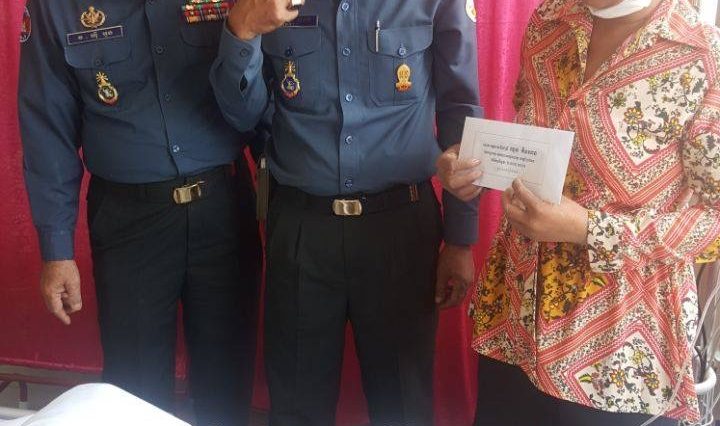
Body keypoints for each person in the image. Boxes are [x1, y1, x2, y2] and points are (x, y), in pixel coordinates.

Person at [438, 0, 720, 424]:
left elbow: (713, 218)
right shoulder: (549, 20)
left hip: (617, 348)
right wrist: (474, 162)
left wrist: (591, 228)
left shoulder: (700, 53)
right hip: (515, 319)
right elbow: (534, 134)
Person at [210, 0, 483, 424]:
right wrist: (241, 32)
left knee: (403, 409)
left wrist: (461, 238)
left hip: (401, 233)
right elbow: (242, 116)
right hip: (303, 231)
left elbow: (461, 112)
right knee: (296, 407)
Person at [17, 2, 264, 425]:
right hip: (129, 225)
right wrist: (56, 249)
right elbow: (47, 125)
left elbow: (264, 92)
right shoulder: (54, 6)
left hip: (222, 210)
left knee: (226, 388)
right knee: (134, 393)